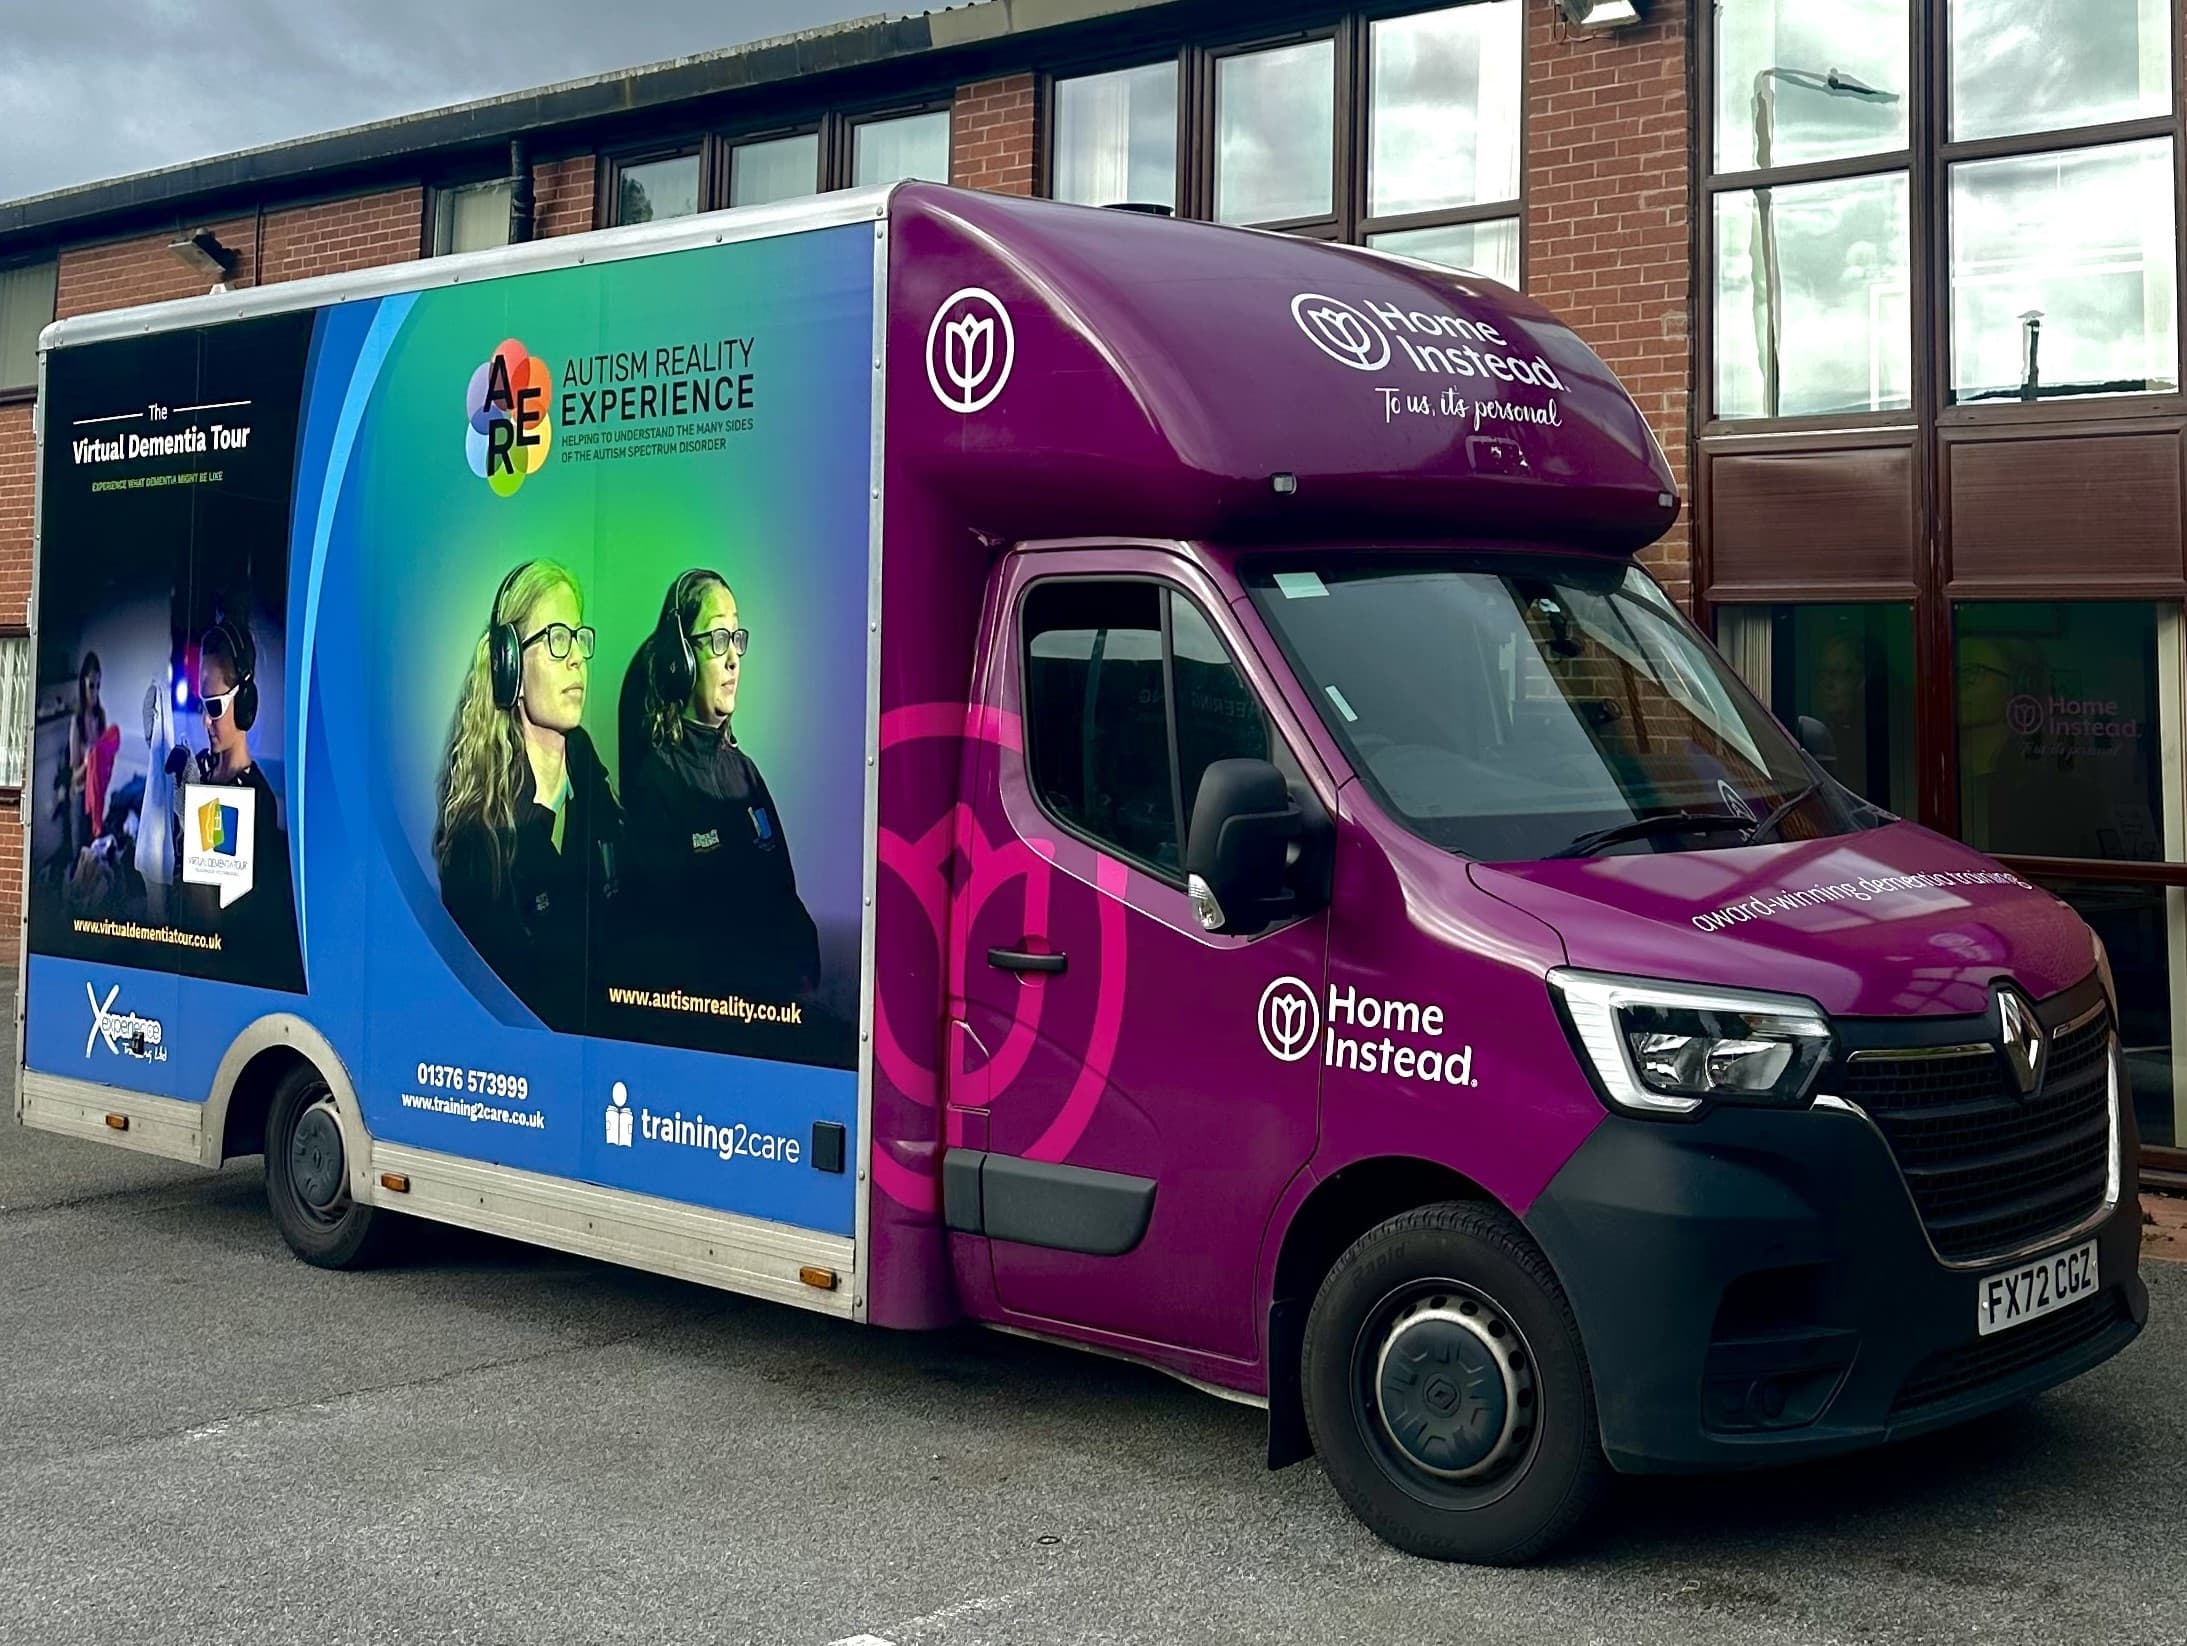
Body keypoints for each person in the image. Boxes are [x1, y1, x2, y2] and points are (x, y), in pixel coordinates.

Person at [435, 560, 623, 1033]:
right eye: (557, 638)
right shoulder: (479, 842)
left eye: (579, 638)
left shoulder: (588, 771)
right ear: (510, 666)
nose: (577, 657)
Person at [622, 569, 819, 1010]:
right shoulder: (657, 784)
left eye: (737, 638)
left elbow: (789, 904)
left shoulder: (746, 776)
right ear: (681, 659)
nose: (733, 658)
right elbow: (672, 947)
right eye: (716, 639)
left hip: (776, 1016)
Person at [173, 614, 304, 988]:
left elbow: (207, 919)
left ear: (244, 702)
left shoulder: (253, 799)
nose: (205, 722)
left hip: (218, 976)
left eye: (214, 707)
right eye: (202, 706)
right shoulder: (200, 768)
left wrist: (192, 812)